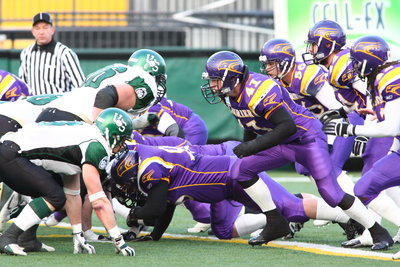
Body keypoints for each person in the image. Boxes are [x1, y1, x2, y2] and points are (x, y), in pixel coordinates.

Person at [200, 50, 393, 250]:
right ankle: (275, 221)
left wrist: (251, 146)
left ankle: (378, 231)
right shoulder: (230, 94)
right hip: (285, 142)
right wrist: (247, 149)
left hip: (307, 138)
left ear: (232, 77)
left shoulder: (259, 89)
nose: (212, 85)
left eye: (215, 80)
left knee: (331, 193)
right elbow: (249, 122)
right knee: (240, 170)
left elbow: (287, 126)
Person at [111, 145, 361, 242]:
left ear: (132, 172)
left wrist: (126, 213)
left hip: (234, 175)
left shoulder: (150, 169)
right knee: (223, 232)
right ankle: (277, 215)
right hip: (221, 191)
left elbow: (153, 211)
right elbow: (165, 205)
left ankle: (351, 218)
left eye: (128, 184)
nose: (130, 190)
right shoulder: (150, 164)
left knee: (291, 208)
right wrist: (154, 236)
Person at [304, 20, 400, 244]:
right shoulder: (336, 65)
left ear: (327, 44)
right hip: (380, 121)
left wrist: (362, 128)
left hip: (382, 121)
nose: (310, 51)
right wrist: (343, 113)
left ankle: (374, 228)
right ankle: (376, 228)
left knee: (374, 173)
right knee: (375, 178)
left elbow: (367, 93)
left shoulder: (345, 66)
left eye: (314, 45)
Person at [0, 108, 135, 256]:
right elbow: (98, 202)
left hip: (12, 151)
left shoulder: (87, 135)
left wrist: (78, 234)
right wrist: (118, 240)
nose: (122, 145)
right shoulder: (96, 146)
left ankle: (27, 239)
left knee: (54, 190)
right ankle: (8, 237)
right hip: (12, 154)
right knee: (55, 196)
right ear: (112, 135)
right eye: (121, 139)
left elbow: (73, 195)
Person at [18, 12, 85, 95]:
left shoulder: (64, 53)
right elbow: (23, 86)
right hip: (34, 106)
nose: (41, 32)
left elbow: (80, 85)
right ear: (33, 31)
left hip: (59, 106)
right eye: (37, 28)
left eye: (45, 28)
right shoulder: (26, 53)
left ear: (52, 30)